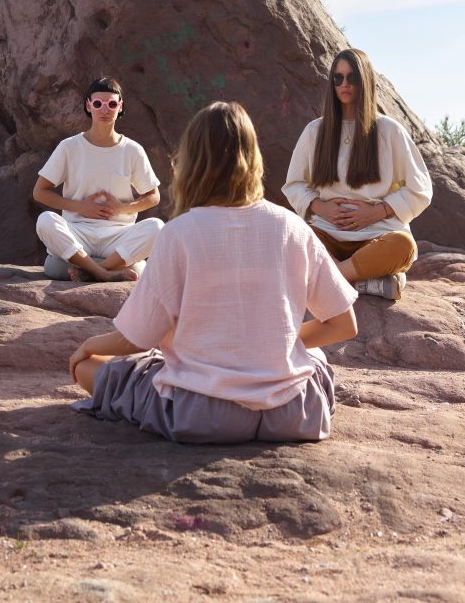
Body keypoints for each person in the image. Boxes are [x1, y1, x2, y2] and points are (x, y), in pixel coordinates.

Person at [69, 101, 358, 444]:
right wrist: (270, 347)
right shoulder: (291, 226)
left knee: (91, 368)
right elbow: (343, 324)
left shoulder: (179, 233)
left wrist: (87, 346)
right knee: (315, 359)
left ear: (192, 162)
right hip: (293, 412)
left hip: (204, 414)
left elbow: (137, 338)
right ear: (253, 158)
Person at [283, 48, 432, 301]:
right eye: (338, 78)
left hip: (377, 235)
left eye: (352, 77)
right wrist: (321, 207)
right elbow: (294, 185)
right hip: (327, 234)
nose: (344, 84)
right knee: (289, 240)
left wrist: (377, 212)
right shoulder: (315, 131)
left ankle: (330, 279)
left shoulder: (389, 130)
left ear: (365, 81)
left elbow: (420, 189)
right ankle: (366, 283)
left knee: (403, 246)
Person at [33, 77, 163, 282]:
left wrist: (121, 208)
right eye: (98, 103)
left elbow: (153, 196)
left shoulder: (132, 150)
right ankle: (104, 273)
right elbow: (40, 192)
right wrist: (81, 207)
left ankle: (92, 270)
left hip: (118, 235)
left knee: (157, 227)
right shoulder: (69, 147)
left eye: (111, 104)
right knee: (45, 221)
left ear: (120, 107)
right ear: (88, 105)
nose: (105, 109)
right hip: (78, 231)